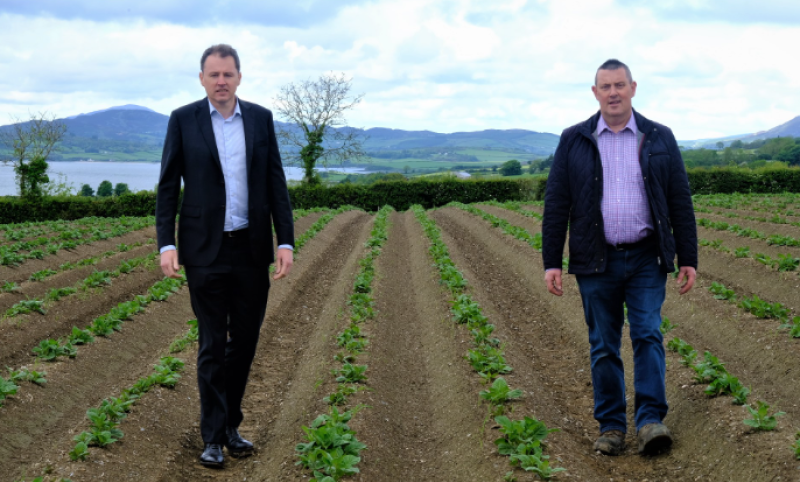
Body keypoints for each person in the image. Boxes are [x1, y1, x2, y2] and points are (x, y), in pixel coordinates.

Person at [541, 59, 697, 456]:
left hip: (646, 256)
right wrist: (551, 261)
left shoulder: (659, 136)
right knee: (604, 345)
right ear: (594, 93)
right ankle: (611, 426)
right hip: (596, 260)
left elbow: (679, 199)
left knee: (647, 334)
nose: (613, 92)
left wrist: (688, 257)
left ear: (633, 88)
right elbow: (557, 203)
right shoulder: (574, 139)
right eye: (605, 86)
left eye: (619, 85)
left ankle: (649, 421)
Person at [156, 44, 295, 468]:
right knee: (212, 342)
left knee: (246, 341)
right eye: (213, 74)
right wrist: (166, 243)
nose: (221, 81)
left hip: (250, 249)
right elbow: (167, 187)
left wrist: (284, 241)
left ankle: (231, 423)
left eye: (227, 74)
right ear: (202, 79)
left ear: (239, 77)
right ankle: (213, 436)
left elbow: (276, 183)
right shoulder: (183, 119)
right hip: (203, 249)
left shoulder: (260, 119)